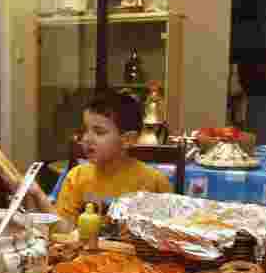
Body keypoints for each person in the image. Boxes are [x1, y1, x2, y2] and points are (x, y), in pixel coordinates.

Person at [25, 89, 172, 229]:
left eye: (99, 132)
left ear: (128, 139)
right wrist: (38, 195)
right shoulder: (77, 178)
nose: (87, 138)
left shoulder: (155, 182)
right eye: (85, 130)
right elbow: (64, 231)